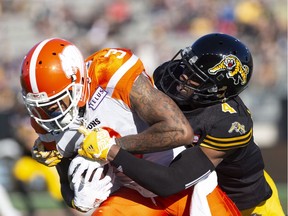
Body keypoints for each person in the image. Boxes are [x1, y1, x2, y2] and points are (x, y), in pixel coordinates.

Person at [77, 33, 285, 216]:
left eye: (196, 77)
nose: (182, 75)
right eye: (187, 66)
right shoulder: (172, 76)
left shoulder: (229, 124)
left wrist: (112, 150)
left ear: (217, 89)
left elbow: (171, 180)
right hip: (185, 192)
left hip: (244, 204)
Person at [19, 38, 229, 215]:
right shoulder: (45, 121)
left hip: (181, 184)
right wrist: (70, 175)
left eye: (57, 101)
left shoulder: (109, 73)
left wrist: (111, 147)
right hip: (134, 199)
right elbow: (69, 192)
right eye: (43, 107)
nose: (51, 113)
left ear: (77, 82)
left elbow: (179, 131)